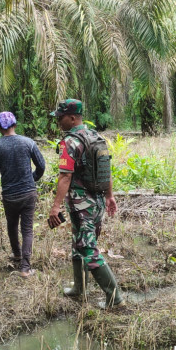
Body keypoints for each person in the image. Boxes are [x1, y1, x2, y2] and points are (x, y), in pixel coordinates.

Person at [47, 99, 124, 308]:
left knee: (87, 247)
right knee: (78, 243)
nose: (58, 122)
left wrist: (55, 207)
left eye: (61, 118)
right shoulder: (96, 137)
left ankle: (115, 298)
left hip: (82, 205)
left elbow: (65, 177)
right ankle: (79, 289)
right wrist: (109, 196)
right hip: (96, 202)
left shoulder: (70, 142)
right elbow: (105, 169)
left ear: (72, 118)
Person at [0, 111, 46, 277]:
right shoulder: (28, 142)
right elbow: (41, 166)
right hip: (28, 193)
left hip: (9, 196)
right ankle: (25, 268)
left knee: (12, 225)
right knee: (27, 229)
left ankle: (17, 253)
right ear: (15, 125)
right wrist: (32, 179)